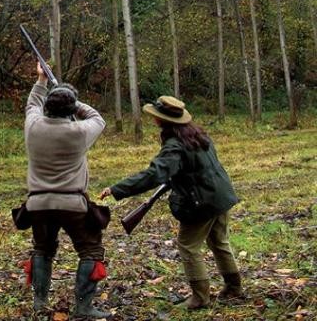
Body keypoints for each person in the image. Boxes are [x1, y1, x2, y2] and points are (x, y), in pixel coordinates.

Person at [100, 96, 243, 310]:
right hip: (220, 195)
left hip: (202, 202)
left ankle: (200, 298)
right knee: (219, 242)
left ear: (162, 120)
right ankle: (233, 287)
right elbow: (190, 168)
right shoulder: (197, 134)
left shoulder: (175, 145)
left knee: (188, 246)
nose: (153, 119)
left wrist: (117, 188)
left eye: (156, 116)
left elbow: (154, 174)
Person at [24, 62, 109, 318]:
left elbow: (32, 104)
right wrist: (74, 100)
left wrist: (42, 80)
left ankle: (40, 304)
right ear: (71, 110)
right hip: (72, 204)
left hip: (37, 204)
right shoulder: (80, 131)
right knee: (91, 251)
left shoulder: (33, 127)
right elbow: (97, 118)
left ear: (47, 107)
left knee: (42, 249)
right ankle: (83, 307)